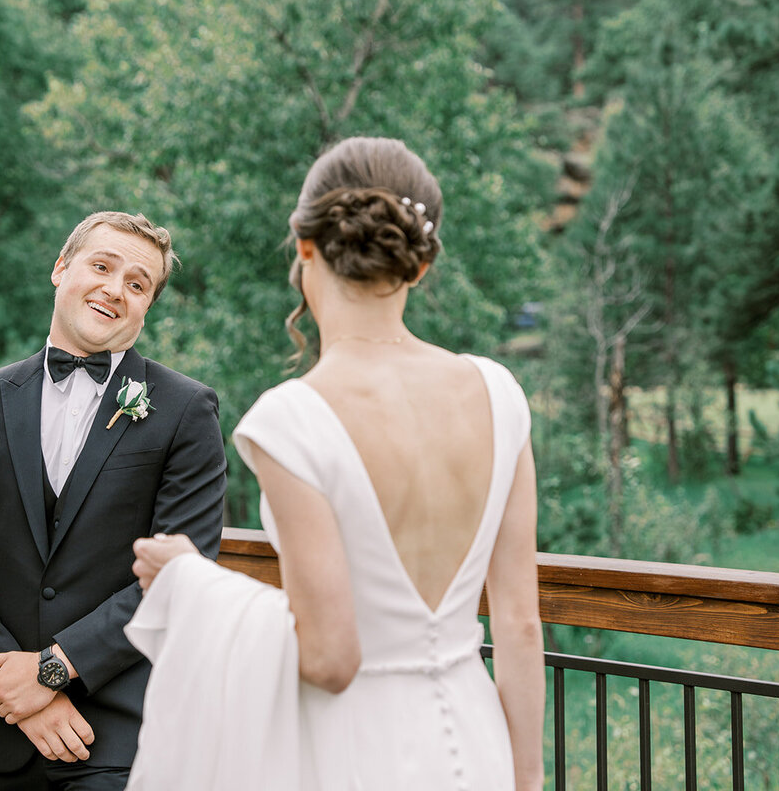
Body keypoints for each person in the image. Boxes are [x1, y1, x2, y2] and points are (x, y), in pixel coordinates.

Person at [128, 137, 544, 790]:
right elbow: (519, 623)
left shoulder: (291, 418)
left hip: (357, 754)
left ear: (305, 247)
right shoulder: (499, 393)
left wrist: (189, 581)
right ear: (420, 265)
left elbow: (329, 658)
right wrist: (526, 778)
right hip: (479, 742)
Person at [0, 211, 228, 791]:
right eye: (102, 266)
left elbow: (180, 576)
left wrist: (55, 671)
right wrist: (19, 692)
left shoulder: (187, 411)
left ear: (146, 307)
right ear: (61, 269)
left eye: (138, 284)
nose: (116, 289)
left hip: (118, 734)